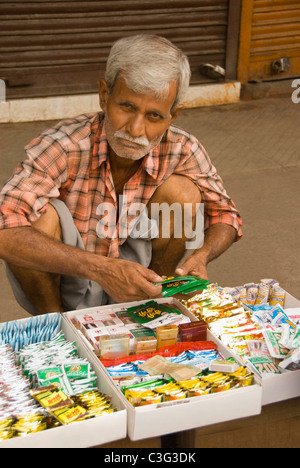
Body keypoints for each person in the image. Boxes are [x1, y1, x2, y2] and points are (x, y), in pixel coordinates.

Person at [0, 35, 242, 316]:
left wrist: (202, 256)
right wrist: (101, 268)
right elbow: (4, 229)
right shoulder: (64, 144)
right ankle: (55, 324)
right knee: (37, 216)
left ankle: (151, 303)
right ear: (105, 95)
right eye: (127, 107)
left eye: (154, 116)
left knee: (182, 193)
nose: (136, 129)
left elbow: (226, 215)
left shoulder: (181, 148)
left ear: (173, 116)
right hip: (69, 276)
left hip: (136, 268)